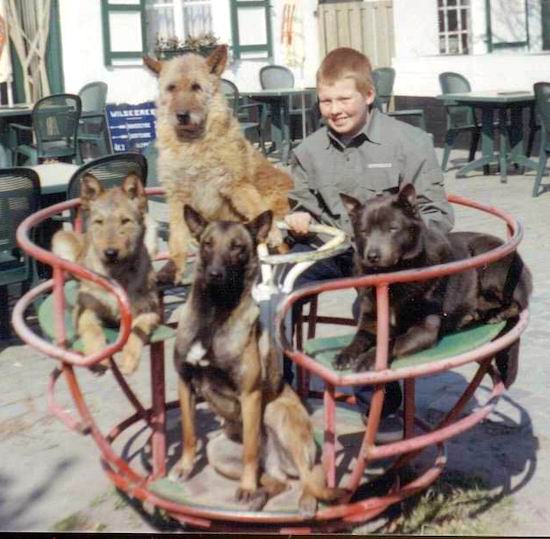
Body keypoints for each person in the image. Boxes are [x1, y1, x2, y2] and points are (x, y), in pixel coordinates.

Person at [284, 47, 454, 429]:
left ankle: (381, 411)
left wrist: (409, 250)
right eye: (325, 101)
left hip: (394, 260)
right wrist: (296, 217)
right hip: (335, 249)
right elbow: (302, 206)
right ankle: (279, 393)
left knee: (370, 310)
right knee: (276, 293)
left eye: (344, 98)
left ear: (368, 95)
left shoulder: (409, 142)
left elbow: (436, 214)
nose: (334, 110)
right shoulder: (307, 151)